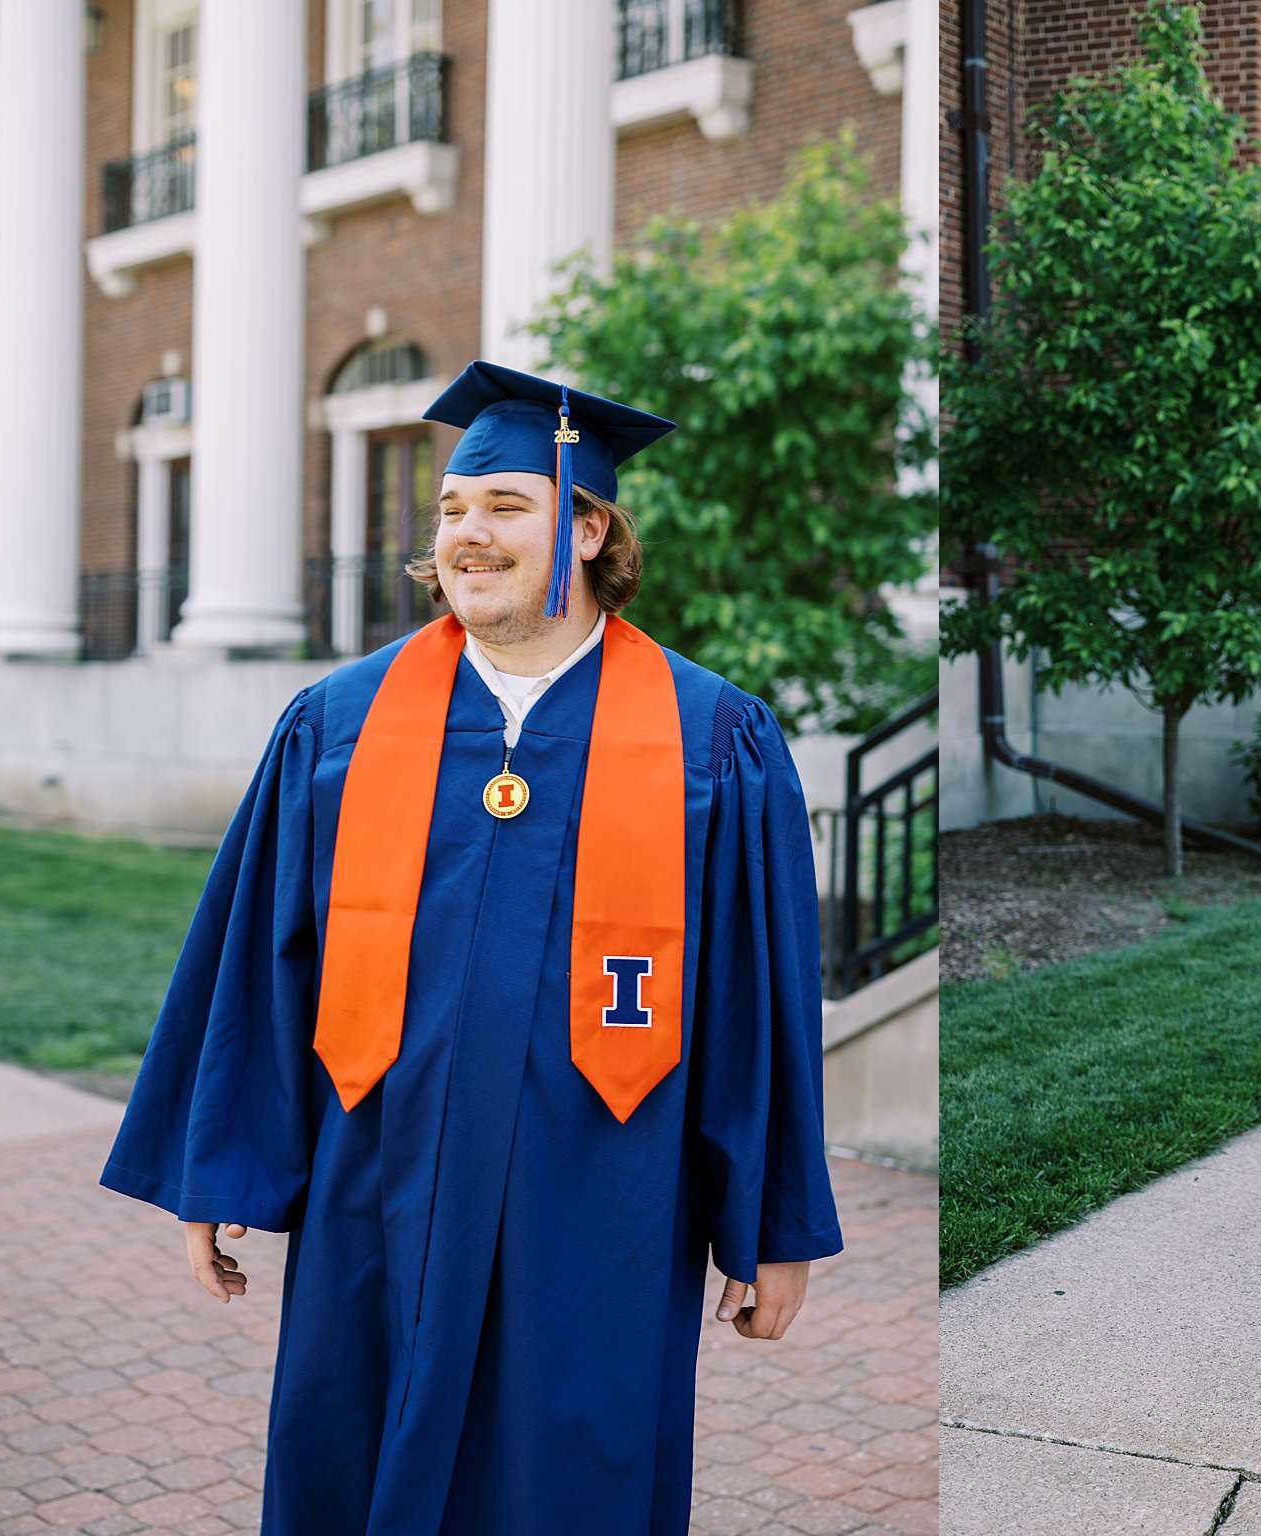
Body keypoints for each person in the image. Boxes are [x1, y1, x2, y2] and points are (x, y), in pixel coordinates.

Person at [101, 359, 843, 1533]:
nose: (468, 533)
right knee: (350, 1453)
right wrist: (219, 1169)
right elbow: (259, 963)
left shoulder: (711, 738)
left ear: (590, 527)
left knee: (569, 1481)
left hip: (601, 1205)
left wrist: (772, 1226)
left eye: (507, 505)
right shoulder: (338, 725)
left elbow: (758, 1007)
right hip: (374, 1200)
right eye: (451, 509)